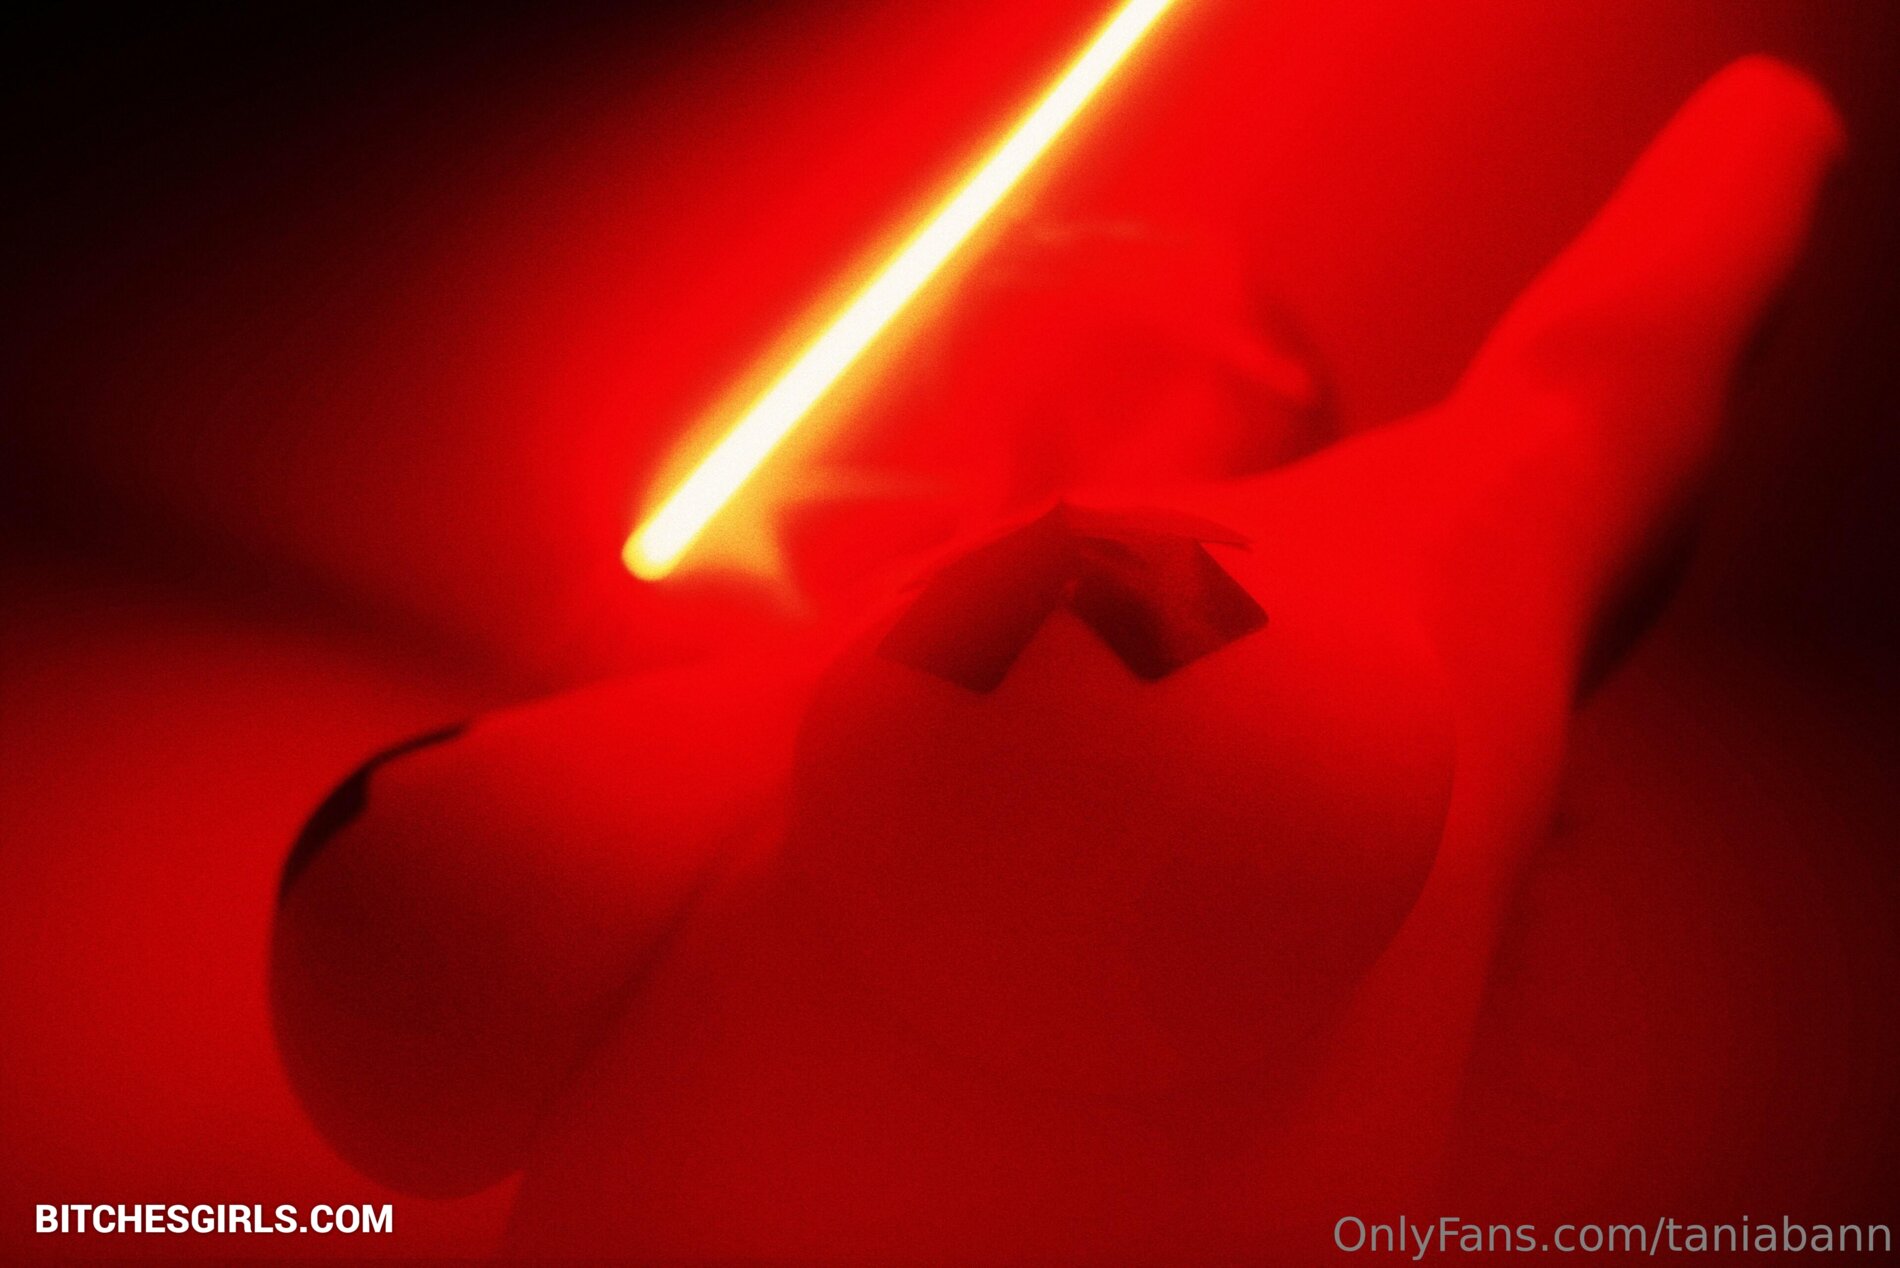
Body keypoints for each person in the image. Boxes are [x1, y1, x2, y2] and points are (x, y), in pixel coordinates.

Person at [272, 57, 1844, 1260]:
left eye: (1111, 276)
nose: (1031, 277)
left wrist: (1773, 117)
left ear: (1267, 375)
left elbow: (1611, 371)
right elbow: (453, 947)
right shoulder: (815, 648)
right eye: (1006, 340)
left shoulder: (1409, 569)